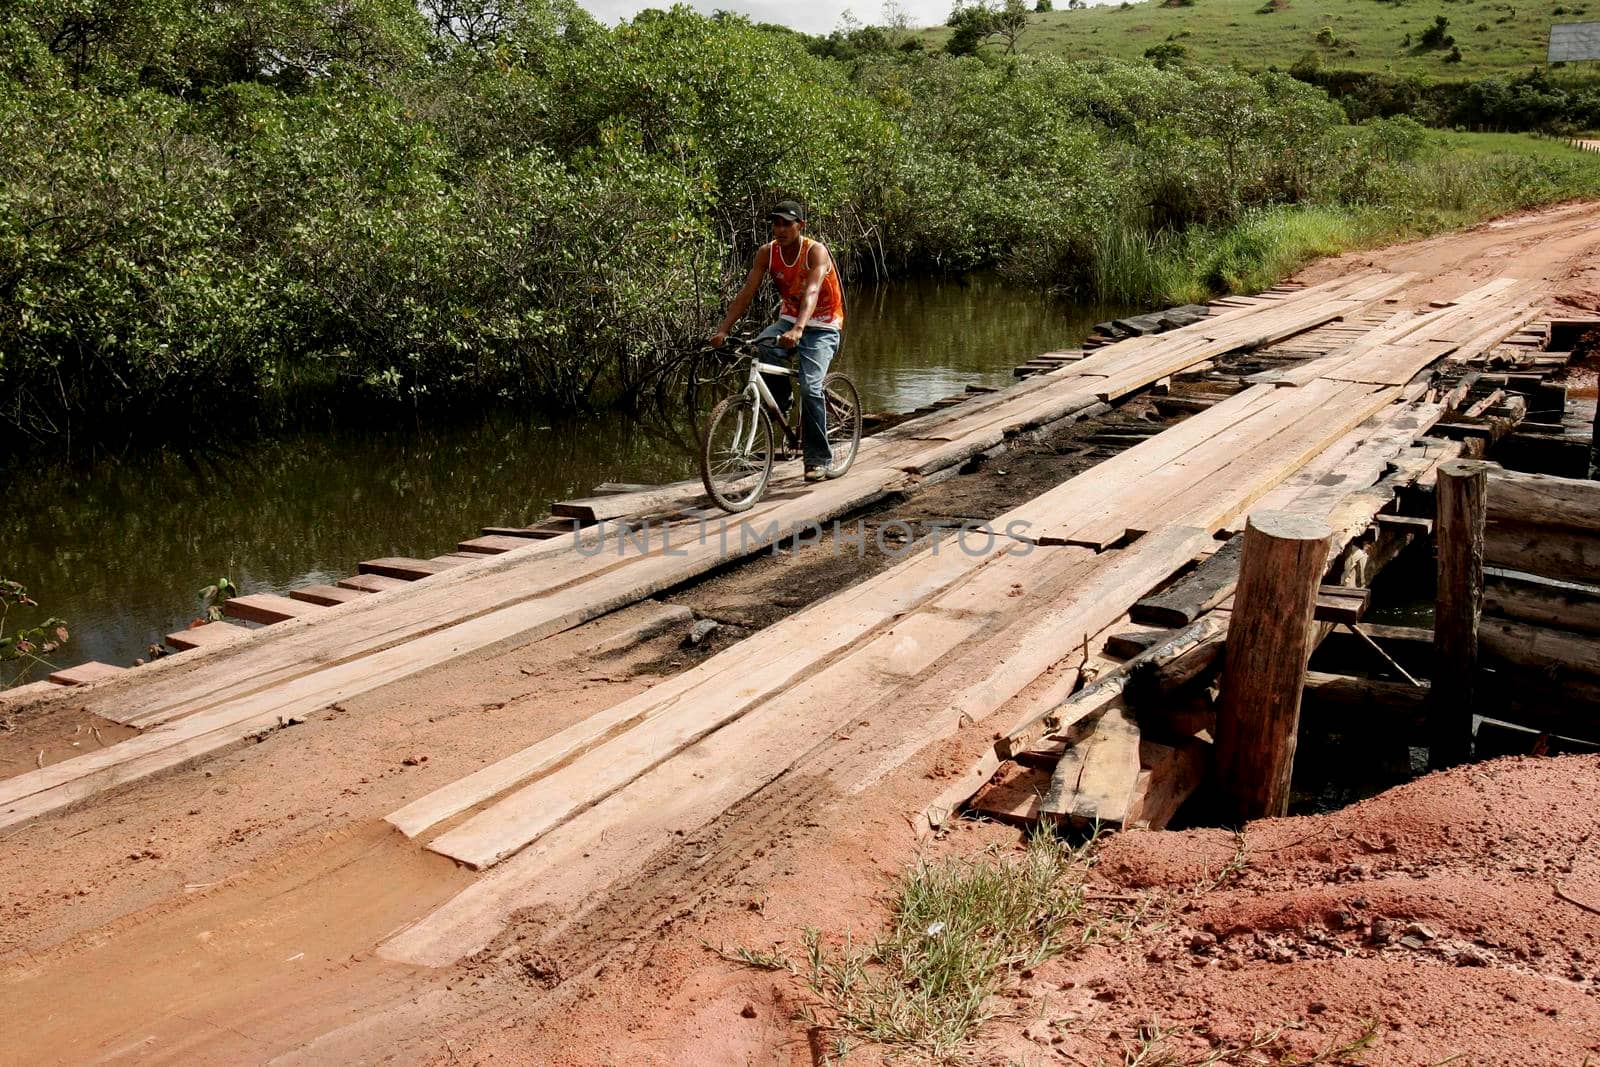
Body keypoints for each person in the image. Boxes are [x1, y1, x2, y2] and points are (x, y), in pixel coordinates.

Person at [708, 200, 845, 482]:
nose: (780, 229)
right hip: (788, 320)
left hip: (823, 325)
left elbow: (812, 291)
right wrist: (722, 330)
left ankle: (818, 459)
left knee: (810, 388)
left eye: (787, 223)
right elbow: (747, 292)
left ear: (800, 226)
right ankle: (781, 401)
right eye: (776, 223)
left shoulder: (815, 251)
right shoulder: (767, 253)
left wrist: (798, 329)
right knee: (761, 347)